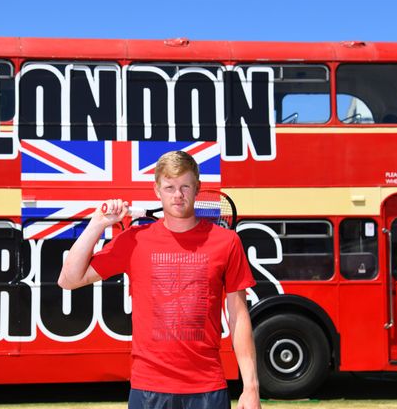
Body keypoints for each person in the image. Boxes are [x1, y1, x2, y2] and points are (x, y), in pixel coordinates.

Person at [58, 150, 260, 409]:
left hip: (208, 387)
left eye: (185, 186)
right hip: (148, 389)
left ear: (197, 188)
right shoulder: (134, 240)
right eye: (170, 187)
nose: (178, 195)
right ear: (157, 190)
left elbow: (238, 315)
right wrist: (97, 223)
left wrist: (251, 387)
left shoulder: (227, 242)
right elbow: (69, 279)